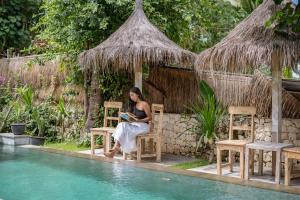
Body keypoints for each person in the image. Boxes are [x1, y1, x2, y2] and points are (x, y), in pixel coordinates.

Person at [104, 87, 151, 158]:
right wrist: (127, 117)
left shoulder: (144, 104)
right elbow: (133, 117)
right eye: (130, 96)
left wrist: (139, 121)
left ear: (137, 94)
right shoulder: (134, 105)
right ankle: (115, 149)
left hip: (143, 126)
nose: (131, 97)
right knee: (121, 125)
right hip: (135, 125)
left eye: (132, 95)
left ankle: (115, 149)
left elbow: (150, 118)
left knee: (123, 127)